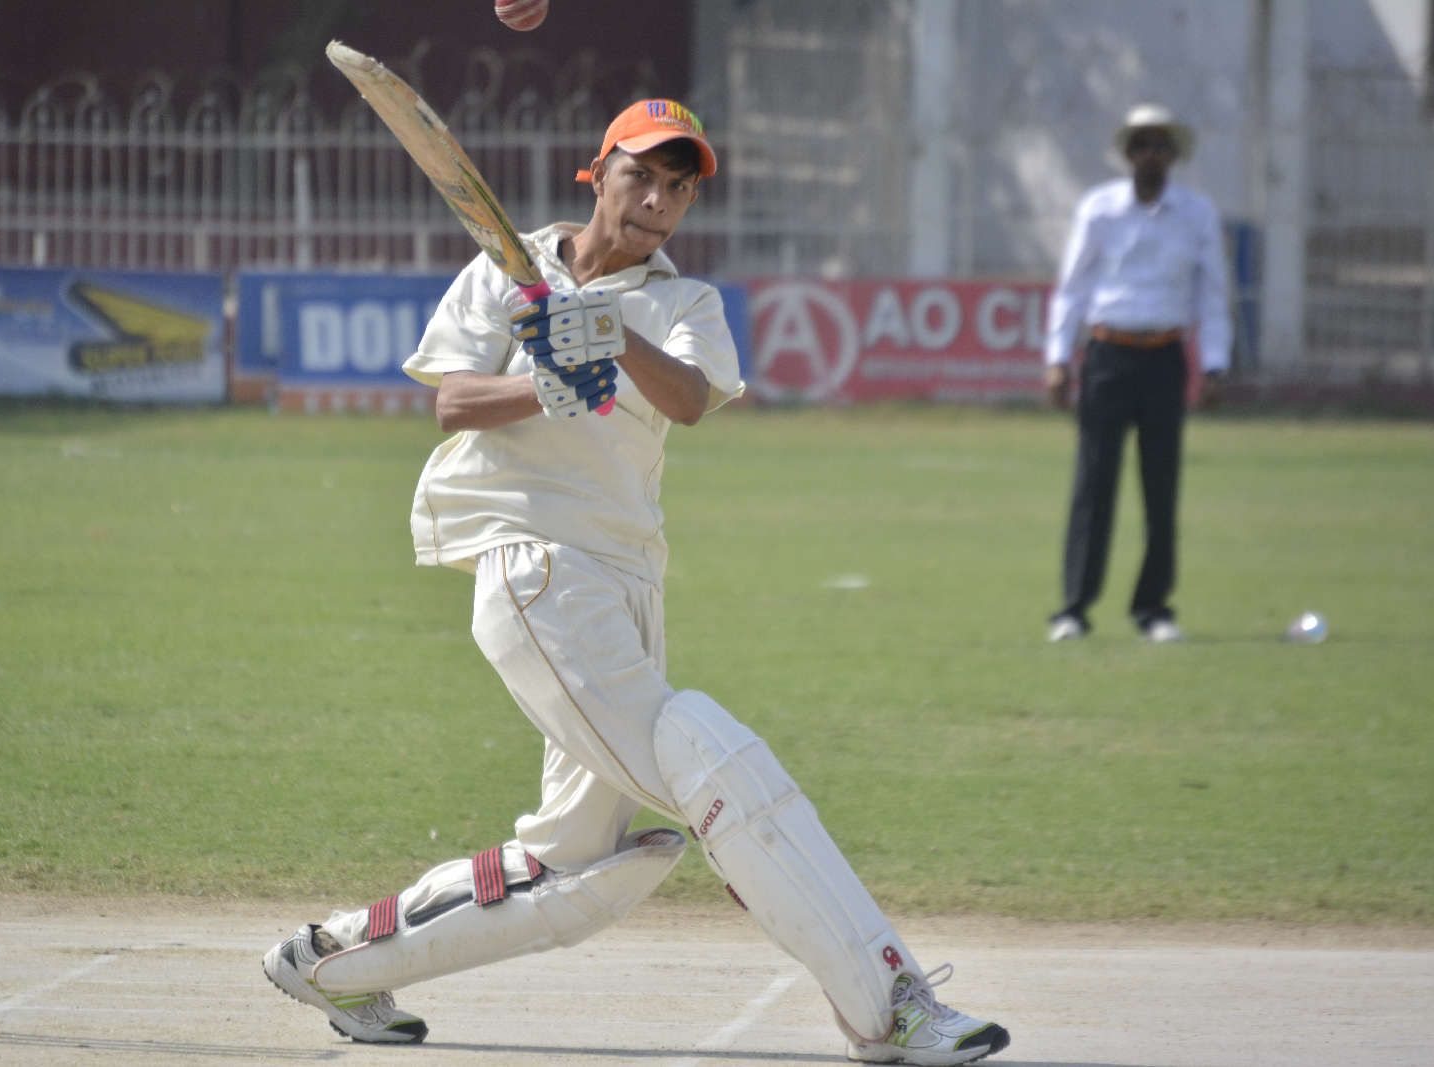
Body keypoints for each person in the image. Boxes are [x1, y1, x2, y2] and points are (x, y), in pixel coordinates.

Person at [262, 98, 1011, 1065]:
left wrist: (609, 332)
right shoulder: (506, 268)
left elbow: (689, 399)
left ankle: (330, 961)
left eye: (679, 188)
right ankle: (890, 1003)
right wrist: (543, 383)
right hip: (535, 566)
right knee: (717, 770)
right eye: (642, 176)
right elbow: (452, 400)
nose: (658, 200)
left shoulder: (684, 303)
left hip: (625, 582)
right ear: (599, 170)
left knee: (571, 868)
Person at [1043, 103, 1231, 644]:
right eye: (1142, 145)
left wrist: (1214, 363)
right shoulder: (1099, 208)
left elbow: (1212, 293)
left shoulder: (1196, 213)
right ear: (1127, 154)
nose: (1151, 154)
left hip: (1165, 356)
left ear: (1173, 155)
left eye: (1160, 145)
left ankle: (1154, 609)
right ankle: (1074, 608)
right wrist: (1058, 358)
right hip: (1108, 353)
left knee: (1161, 484)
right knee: (1093, 483)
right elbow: (1073, 287)